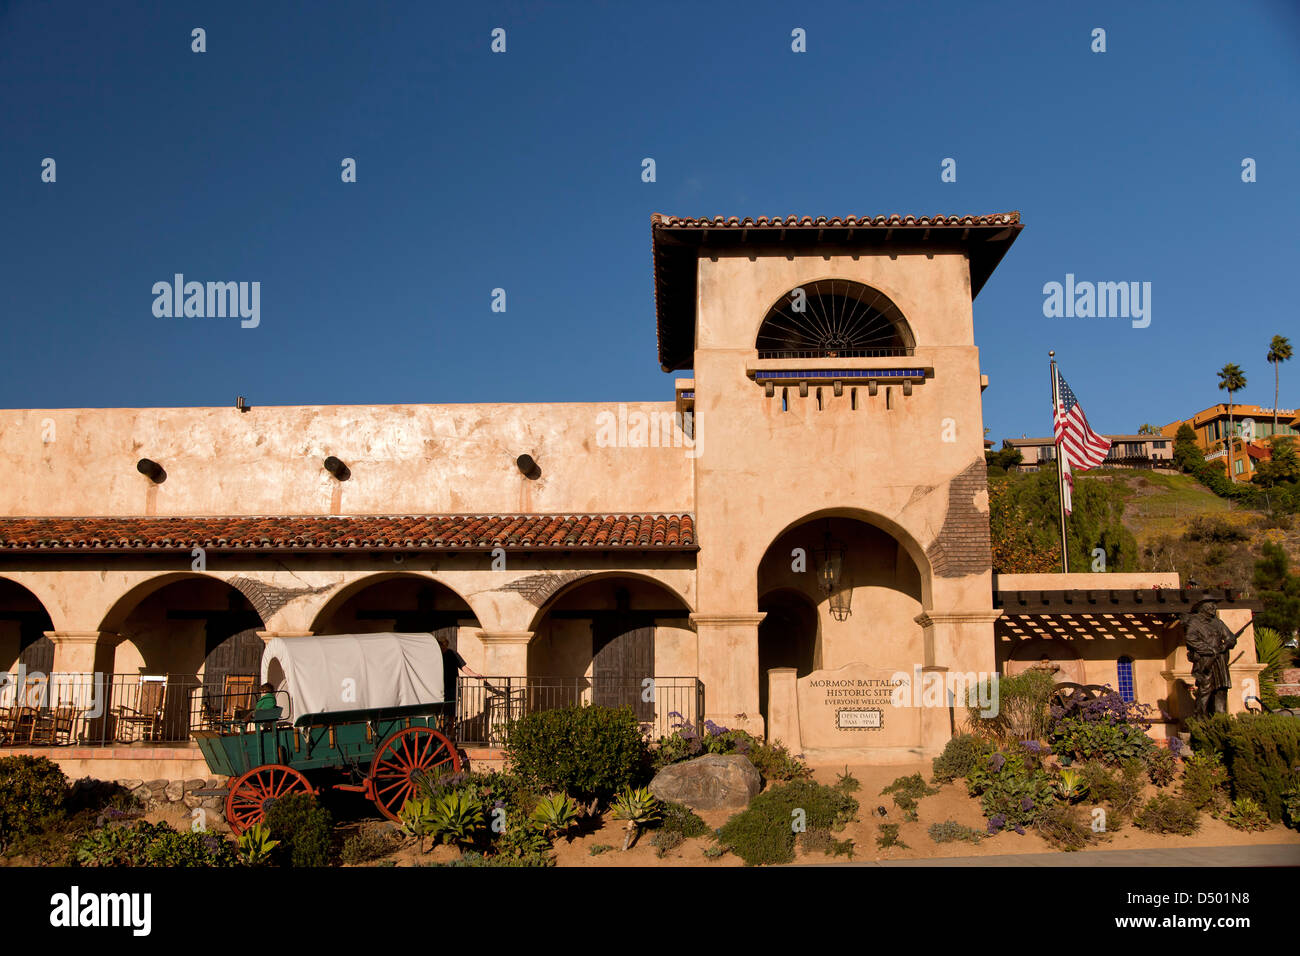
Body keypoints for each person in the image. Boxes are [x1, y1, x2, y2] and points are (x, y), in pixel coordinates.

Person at [435, 634, 480, 732]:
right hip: (438, 688)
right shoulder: (435, 655)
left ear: (446, 645)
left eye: (443, 645)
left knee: (451, 711)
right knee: (439, 711)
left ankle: (449, 733)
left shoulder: (453, 654)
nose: (442, 647)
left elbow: (463, 667)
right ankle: (440, 730)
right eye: (441, 645)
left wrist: (474, 675)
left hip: (451, 687)